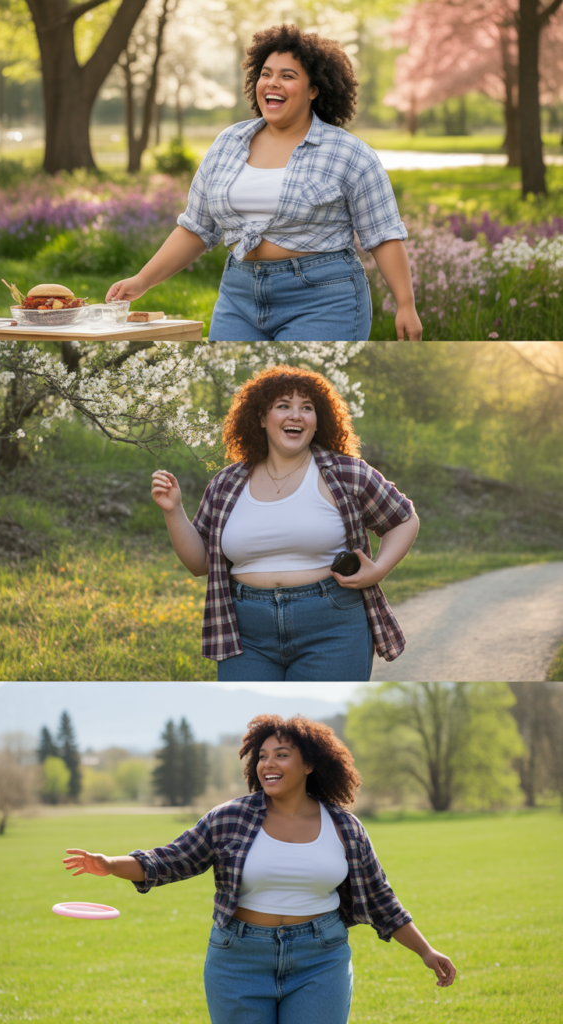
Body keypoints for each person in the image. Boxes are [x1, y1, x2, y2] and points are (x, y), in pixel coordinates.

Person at [63, 715, 456, 1024]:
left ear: (309, 764)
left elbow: (381, 898)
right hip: (238, 959)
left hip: (320, 959)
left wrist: (425, 951)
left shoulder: (345, 827)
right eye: (262, 756)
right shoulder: (229, 818)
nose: (268, 763)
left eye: (281, 754)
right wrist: (110, 864)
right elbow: (171, 860)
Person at [106, 24, 421, 342]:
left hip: (322, 300)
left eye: (288, 76)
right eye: (266, 74)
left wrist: (406, 304)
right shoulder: (228, 143)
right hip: (239, 296)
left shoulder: (349, 153)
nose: (273, 83)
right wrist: (143, 280)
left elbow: (383, 235)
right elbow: (196, 228)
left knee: (297, 376)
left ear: (313, 89)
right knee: (233, 376)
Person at [150, 365, 419, 682]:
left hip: (332, 626)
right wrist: (174, 511)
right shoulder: (226, 483)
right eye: (283, 406)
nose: (296, 415)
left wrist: (379, 569)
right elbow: (200, 564)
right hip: (246, 633)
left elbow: (403, 519)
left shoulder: (346, 473)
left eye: (307, 408)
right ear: (261, 418)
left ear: (317, 421)